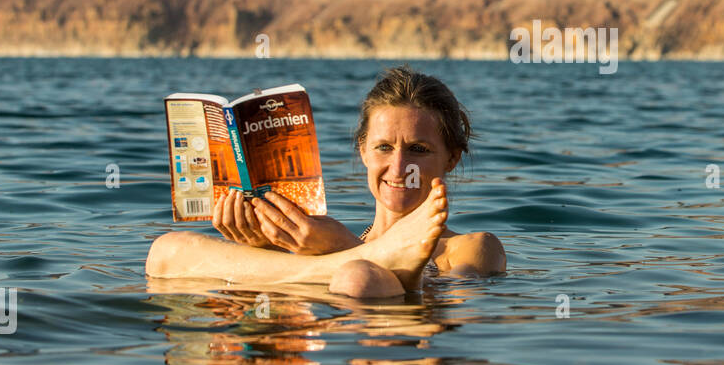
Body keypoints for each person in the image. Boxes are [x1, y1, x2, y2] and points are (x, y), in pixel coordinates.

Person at [147, 65, 506, 297]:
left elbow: (461, 302)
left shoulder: (473, 247)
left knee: (358, 278)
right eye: (383, 147)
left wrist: (342, 247)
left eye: (418, 149)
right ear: (363, 151)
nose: (398, 167)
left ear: (452, 158)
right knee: (163, 251)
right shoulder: (317, 239)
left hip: (386, 339)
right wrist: (264, 245)